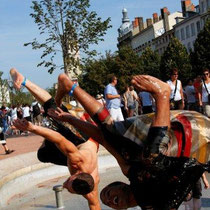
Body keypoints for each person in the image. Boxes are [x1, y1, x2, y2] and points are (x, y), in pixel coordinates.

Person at [53, 73, 210, 210]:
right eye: (108, 197)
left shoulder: (129, 170)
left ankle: (70, 86)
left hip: (182, 127)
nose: (108, 201)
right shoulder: (153, 203)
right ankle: (162, 95)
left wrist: (71, 120)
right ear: (121, 188)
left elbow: (102, 137)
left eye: (106, 198)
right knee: (146, 157)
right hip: (195, 141)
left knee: (112, 132)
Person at [10, 68, 101, 210]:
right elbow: (59, 139)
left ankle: (48, 138)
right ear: (74, 176)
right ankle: (25, 81)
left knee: (43, 155)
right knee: (52, 109)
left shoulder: (90, 187)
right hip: (81, 138)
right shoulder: (77, 161)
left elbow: (95, 206)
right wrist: (32, 128)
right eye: (67, 184)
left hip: (85, 145)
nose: (64, 185)